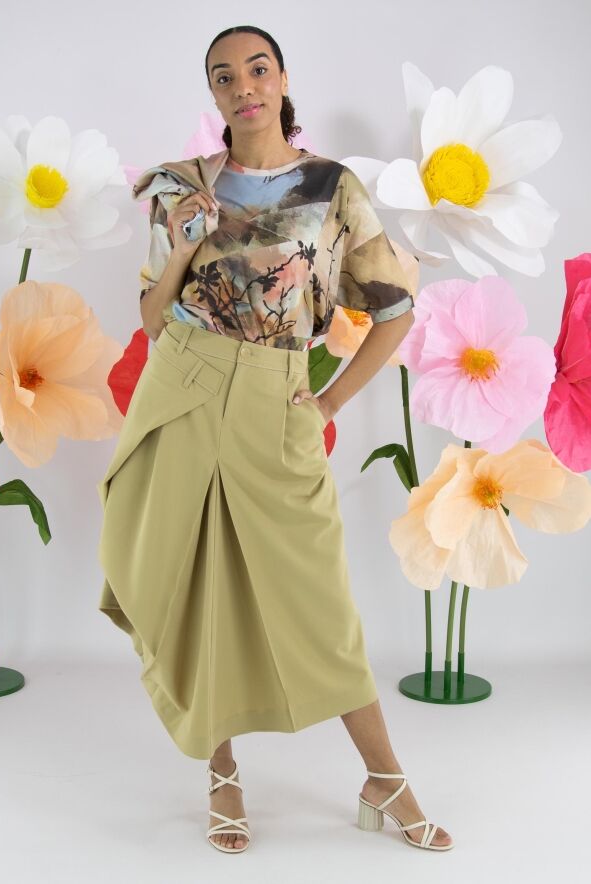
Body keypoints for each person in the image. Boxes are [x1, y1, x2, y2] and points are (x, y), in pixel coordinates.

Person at [97, 24, 454, 854]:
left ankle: (384, 777)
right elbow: (151, 319)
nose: (243, 87)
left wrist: (327, 404)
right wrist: (185, 244)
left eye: (257, 69)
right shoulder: (184, 188)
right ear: (213, 95)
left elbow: (394, 311)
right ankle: (221, 772)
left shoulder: (332, 188)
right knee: (196, 584)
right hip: (183, 386)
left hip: (275, 398)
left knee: (319, 604)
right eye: (224, 77)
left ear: (282, 79)